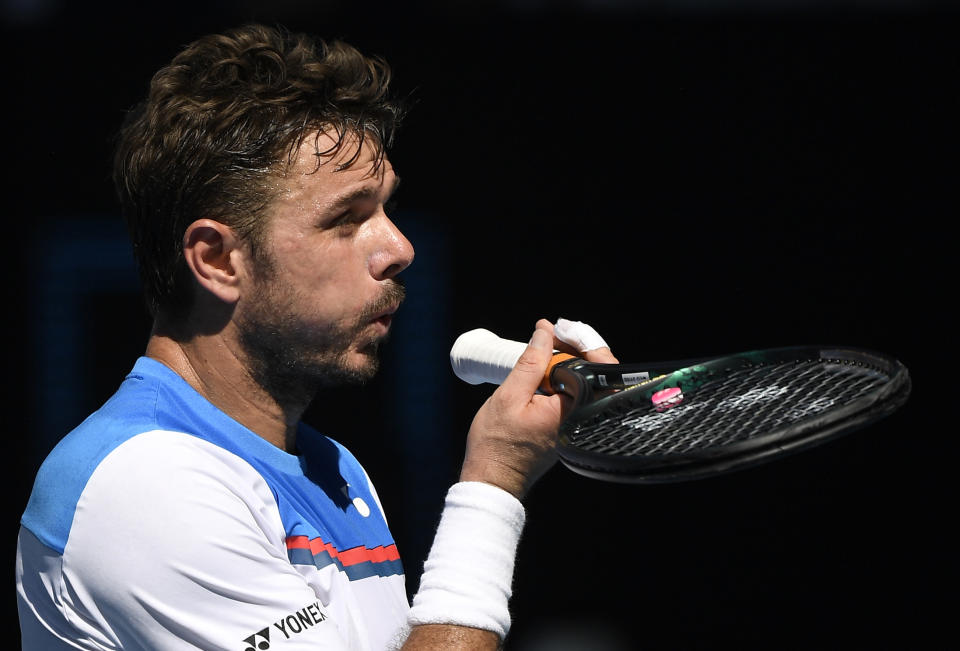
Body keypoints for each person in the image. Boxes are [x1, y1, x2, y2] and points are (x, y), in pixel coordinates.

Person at [15, 23, 617, 650]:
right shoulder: (141, 485)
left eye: (386, 209)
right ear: (218, 260)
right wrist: (493, 482)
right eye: (347, 218)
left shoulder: (335, 469)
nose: (399, 248)